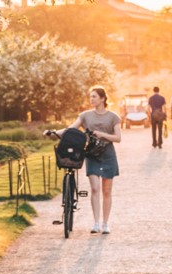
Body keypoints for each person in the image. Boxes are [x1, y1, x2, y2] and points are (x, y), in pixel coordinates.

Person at [47, 86, 122, 233]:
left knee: (106, 191)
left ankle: (105, 224)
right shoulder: (85, 115)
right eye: (90, 97)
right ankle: (95, 223)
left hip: (108, 155)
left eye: (94, 96)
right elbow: (71, 129)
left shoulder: (113, 117)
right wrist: (54, 133)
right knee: (94, 188)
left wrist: (102, 134)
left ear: (103, 99)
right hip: (92, 155)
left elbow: (118, 138)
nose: (91, 99)